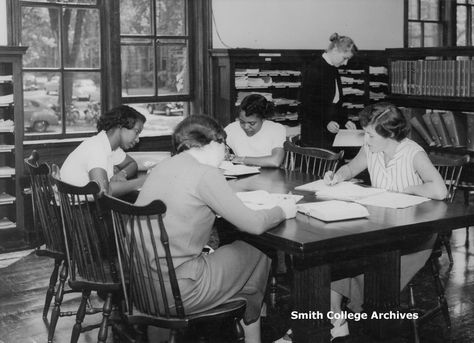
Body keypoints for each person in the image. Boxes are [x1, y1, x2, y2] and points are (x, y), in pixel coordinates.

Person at [135, 115, 297, 343]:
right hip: (178, 292)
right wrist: (282, 210)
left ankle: (245, 315)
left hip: (144, 288)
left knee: (240, 258)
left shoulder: (165, 166)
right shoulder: (205, 173)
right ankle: (253, 332)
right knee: (259, 251)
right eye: (225, 146)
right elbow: (253, 224)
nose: (225, 154)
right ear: (212, 143)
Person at [323, 102, 447, 338]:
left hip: (414, 233)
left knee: (368, 265)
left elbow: (440, 191)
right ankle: (335, 320)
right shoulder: (370, 149)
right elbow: (351, 168)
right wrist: (336, 175)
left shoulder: (413, 153)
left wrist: (409, 189)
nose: (365, 139)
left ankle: (367, 325)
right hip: (379, 225)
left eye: (369, 134)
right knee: (338, 255)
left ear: (388, 133)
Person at [60, 104, 147, 196]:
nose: (137, 139)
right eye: (136, 132)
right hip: (79, 207)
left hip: (83, 205)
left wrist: (122, 173)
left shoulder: (109, 145)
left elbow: (132, 164)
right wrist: (143, 181)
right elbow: (103, 192)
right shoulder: (96, 147)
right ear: (120, 126)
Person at [300, 33, 358, 149]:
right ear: (335, 50)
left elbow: (335, 102)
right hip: (315, 133)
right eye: (345, 58)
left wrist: (344, 120)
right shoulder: (314, 68)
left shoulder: (333, 68)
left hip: (330, 130)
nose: (345, 63)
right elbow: (308, 104)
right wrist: (326, 122)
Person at [225, 94, 286, 167]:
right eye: (242, 122)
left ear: (263, 119)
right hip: (243, 175)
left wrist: (241, 159)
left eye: (252, 123)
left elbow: (275, 161)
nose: (246, 127)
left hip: (269, 176)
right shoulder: (231, 128)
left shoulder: (276, 129)